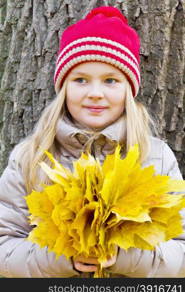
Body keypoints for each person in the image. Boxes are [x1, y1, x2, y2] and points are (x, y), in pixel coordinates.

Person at [0, 6, 184, 278]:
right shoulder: (31, 157)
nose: (95, 93)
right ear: (64, 87)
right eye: (81, 80)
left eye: (111, 80)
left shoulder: (155, 156)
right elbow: (4, 245)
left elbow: (180, 250)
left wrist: (125, 255)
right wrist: (63, 258)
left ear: (128, 89)